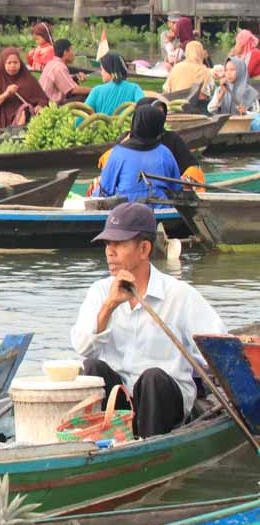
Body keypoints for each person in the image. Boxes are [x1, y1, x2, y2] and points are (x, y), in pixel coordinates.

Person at [71, 201, 227, 437]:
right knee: (91, 367)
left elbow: (218, 349)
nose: (109, 252)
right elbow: (82, 347)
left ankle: (148, 446)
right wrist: (110, 306)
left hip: (163, 401)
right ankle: (103, 439)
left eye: (119, 244)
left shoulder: (179, 295)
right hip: (120, 399)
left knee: (152, 378)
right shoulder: (100, 292)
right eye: (107, 244)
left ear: (144, 249)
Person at [94, 102, 180, 203]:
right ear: (158, 127)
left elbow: (105, 190)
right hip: (161, 209)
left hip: (128, 211)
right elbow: (177, 188)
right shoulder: (165, 153)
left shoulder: (118, 153)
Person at [0, 47, 49, 128]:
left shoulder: (29, 79)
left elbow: (42, 98)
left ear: (20, 63)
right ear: (3, 64)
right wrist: (6, 93)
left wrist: (39, 106)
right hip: (3, 121)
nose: (12, 66)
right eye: (9, 63)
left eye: (15, 62)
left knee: (25, 110)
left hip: (28, 117)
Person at [86, 53, 145, 117]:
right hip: (128, 126)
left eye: (102, 69)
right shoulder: (135, 88)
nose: (101, 73)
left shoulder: (97, 90)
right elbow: (143, 111)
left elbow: (79, 120)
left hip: (103, 126)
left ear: (109, 69)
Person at [39, 39, 91, 104]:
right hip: (49, 105)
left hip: (43, 101)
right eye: (72, 50)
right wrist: (94, 90)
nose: (73, 53)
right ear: (65, 52)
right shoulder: (59, 67)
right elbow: (72, 90)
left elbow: (63, 80)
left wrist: (76, 77)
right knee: (84, 97)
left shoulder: (52, 63)